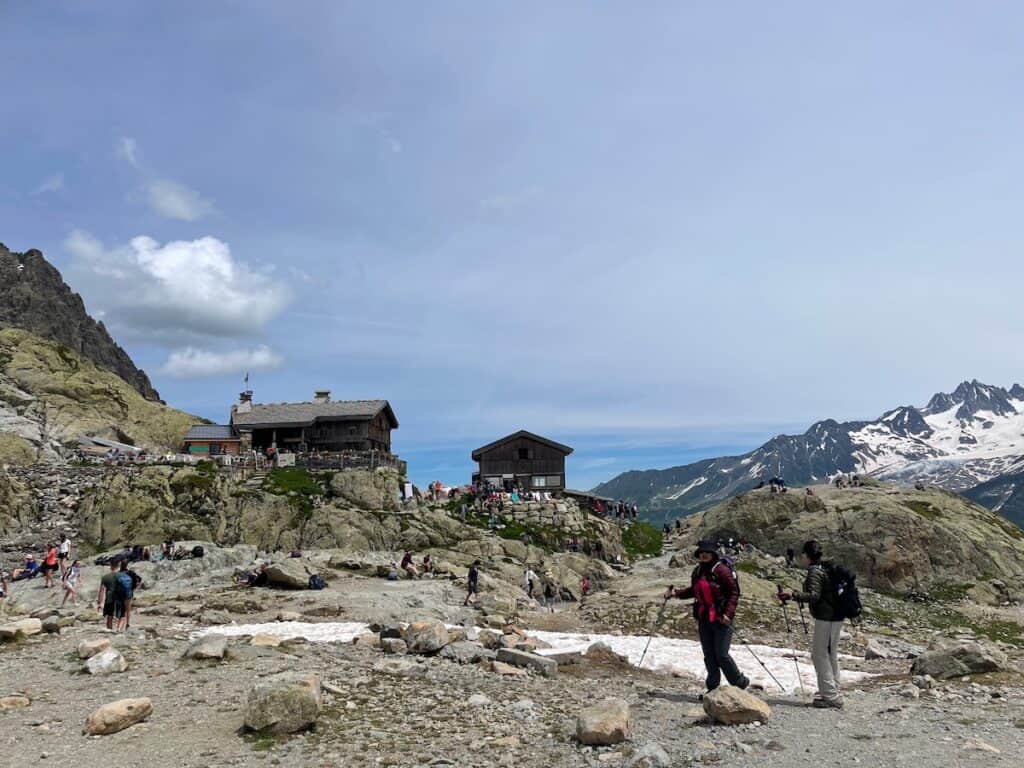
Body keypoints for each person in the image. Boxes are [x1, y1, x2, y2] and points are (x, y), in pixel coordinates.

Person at [664, 539, 749, 695]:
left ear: (713, 554)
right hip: (704, 618)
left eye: (707, 552)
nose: (703, 555)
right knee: (709, 655)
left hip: (721, 617)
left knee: (721, 654)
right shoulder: (697, 571)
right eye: (701, 553)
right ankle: (713, 688)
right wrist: (676, 593)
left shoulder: (722, 571)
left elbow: (734, 593)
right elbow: (694, 591)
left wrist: (728, 614)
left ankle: (739, 683)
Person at [778, 540, 844, 709]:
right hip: (837, 616)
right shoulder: (828, 567)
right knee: (830, 654)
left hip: (825, 617)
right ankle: (833, 690)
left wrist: (793, 595)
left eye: (803, 555)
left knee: (820, 654)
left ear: (806, 556)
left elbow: (814, 595)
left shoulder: (815, 571)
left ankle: (830, 696)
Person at [97, 561, 121, 630]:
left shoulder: (105, 577)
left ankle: (109, 630)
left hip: (109, 598)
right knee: (122, 615)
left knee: (109, 616)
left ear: (111, 567)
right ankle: (119, 629)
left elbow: (101, 590)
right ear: (118, 566)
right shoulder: (122, 576)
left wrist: (99, 602)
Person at [115, 560, 136, 632]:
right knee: (128, 610)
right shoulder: (131, 573)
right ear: (127, 565)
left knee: (121, 611)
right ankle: (127, 624)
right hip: (129, 594)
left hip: (119, 595)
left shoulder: (117, 574)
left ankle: (119, 626)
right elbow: (139, 580)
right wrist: (133, 588)